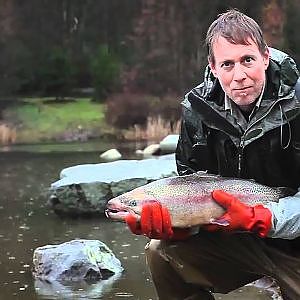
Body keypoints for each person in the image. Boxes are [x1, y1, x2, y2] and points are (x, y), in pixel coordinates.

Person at [125, 9, 300, 300]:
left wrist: (264, 217)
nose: (239, 75)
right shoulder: (197, 112)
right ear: (213, 68)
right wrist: (180, 227)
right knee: (162, 251)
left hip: (294, 239)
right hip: (238, 243)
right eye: (227, 64)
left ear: (266, 57)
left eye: (247, 60)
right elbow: (190, 186)